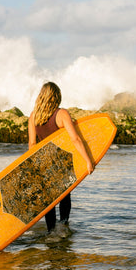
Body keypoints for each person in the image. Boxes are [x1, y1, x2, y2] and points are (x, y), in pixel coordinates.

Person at [28, 82, 94, 232]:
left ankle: (51, 231)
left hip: (42, 163)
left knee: (49, 199)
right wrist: (88, 161)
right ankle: (64, 226)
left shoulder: (33, 116)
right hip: (60, 163)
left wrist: (33, 166)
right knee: (64, 196)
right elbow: (75, 139)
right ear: (56, 96)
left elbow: (32, 145)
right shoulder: (61, 114)